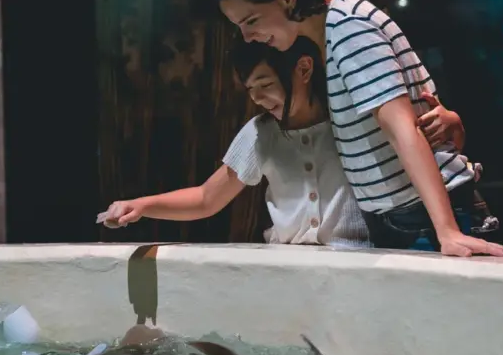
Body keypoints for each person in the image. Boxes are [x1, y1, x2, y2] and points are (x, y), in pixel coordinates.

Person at [98, 35, 464, 249]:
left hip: (357, 261)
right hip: (285, 266)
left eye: (266, 84)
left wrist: (452, 122)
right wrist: (142, 204)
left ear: (303, 70)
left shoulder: (352, 120)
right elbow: (207, 198)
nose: (257, 98)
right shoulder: (260, 133)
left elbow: (420, 141)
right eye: (250, 89)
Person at [218, 0, 503, 257]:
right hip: (398, 217)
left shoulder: (348, 27)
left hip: (421, 217)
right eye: (239, 26)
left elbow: (400, 127)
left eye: (251, 20)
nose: (246, 36)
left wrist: (447, 230)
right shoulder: (328, 37)